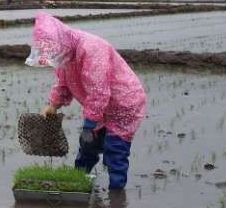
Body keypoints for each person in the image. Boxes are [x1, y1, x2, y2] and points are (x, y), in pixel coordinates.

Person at [29, 12, 146, 192]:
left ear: (61, 42)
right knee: (88, 146)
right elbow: (63, 83)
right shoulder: (66, 55)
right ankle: (78, 181)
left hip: (123, 102)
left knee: (114, 149)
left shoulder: (92, 49)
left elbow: (99, 92)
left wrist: (89, 125)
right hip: (101, 108)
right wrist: (52, 105)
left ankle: (116, 195)